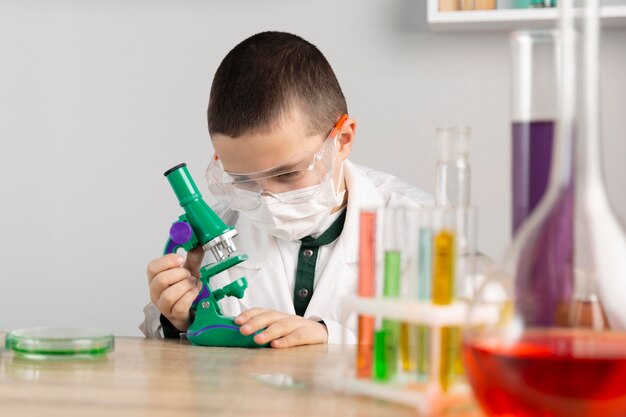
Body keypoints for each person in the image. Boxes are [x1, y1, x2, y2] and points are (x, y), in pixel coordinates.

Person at [140, 31, 432, 348]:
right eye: (243, 180)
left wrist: (329, 337)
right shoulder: (219, 232)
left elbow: (447, 345)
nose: (267, 200)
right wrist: (176, 316)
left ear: (343, 140)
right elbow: (172, 357)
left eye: (289, 174)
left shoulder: (419, 224)